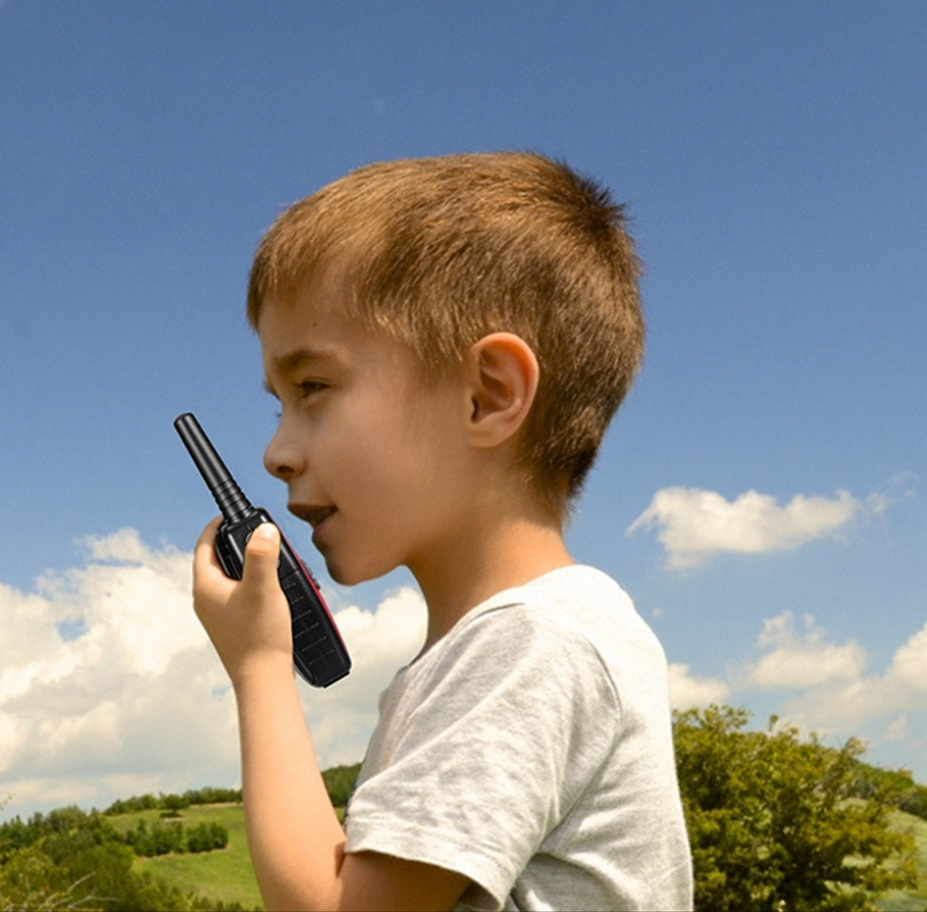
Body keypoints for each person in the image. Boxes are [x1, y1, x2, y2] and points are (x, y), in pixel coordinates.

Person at [190, 151, 693, 911]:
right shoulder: (520, 643)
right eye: (278, 403)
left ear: (487, 396)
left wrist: (260, 667)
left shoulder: (528, 647)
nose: (276, 452)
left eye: (313, 388)